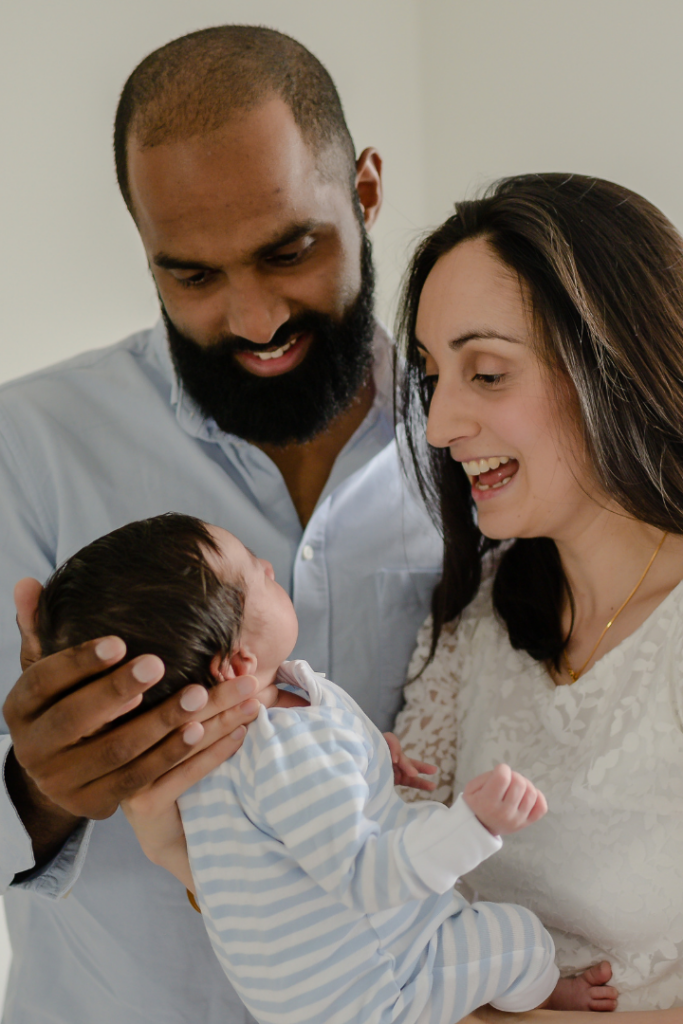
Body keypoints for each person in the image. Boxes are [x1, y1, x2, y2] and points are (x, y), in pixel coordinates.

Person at [0, 26, 441, 1024]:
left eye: (289, 251)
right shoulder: (23, 450)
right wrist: (41, 787)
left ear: (366, 191)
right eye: (191, 275)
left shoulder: (481, 440)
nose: (251, 318)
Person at [37, 511, 618, 1022]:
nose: (267, 564)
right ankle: (546, 992)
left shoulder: (227, 741)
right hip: (377, 991)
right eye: (254, 572)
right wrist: (474, 824)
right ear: (238, 662)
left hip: (324, 985)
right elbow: (366, 874)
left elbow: (298, 815)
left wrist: (372, 759)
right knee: (516, 937)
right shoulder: (284, 749)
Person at [392, 172, 683, 1014]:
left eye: (485, 373)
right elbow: (381, 888)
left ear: (614, 360)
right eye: (431, 374)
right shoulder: (480, 617)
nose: (441, 426)